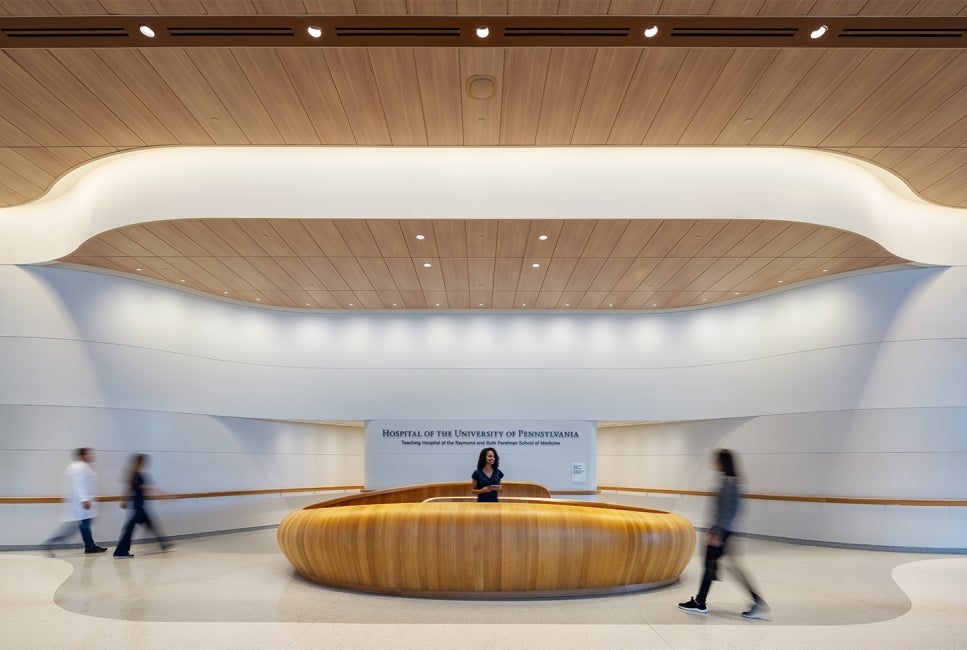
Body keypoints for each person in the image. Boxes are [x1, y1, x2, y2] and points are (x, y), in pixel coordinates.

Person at [678, 448, 770, 620]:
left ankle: (755, 601)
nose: (713, 463)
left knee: (715, 565)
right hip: (723, 531)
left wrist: (717, 533)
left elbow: (728, 511)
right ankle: (700, 601)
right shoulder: (731, 480)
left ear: (722, 462)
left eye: (716, 460)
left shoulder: (729, 483)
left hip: (722, 532)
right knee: (713, 565)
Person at [41, 447, 107, 555]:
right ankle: (51, 543)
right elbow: (79, 484)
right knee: (78, 526)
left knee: (83, 525)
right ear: (82, 455)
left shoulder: (80, 467)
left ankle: (90, 546)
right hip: (81, 503)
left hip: (80, 502)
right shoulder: (78, 467)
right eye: (88, 454)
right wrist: (84, 499)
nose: (90, 456)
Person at [113, 453, 171, 558]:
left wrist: (123, 500)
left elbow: (129, 489)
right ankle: (120, 552)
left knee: (151, 525)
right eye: (144, 462)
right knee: (129, 529)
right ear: (140, 462)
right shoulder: (136, 475)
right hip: (138, 506)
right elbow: (140, 488)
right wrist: (160, 492)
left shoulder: (136, 474)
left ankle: (164, 544)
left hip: (139, 505)